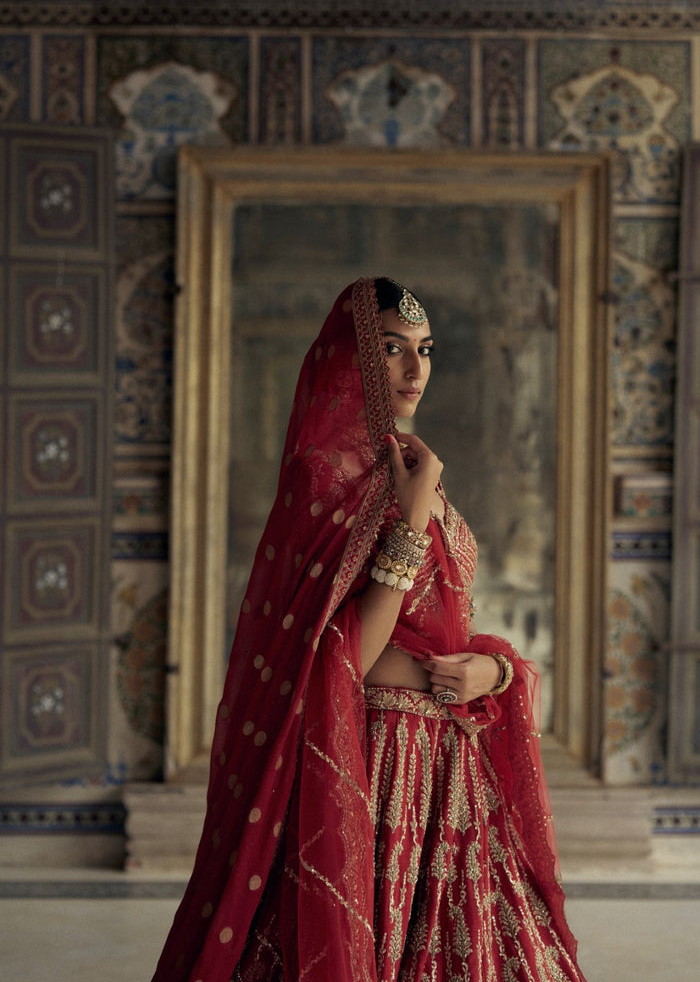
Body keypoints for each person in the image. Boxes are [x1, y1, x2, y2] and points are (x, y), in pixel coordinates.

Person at [152, 276, 586, 982]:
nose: (415, 368)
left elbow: (449, 627)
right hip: (370, 761)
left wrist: (495, 671)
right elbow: (341, 654)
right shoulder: (323, 475)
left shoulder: (416, 471)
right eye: (392, 348)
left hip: (450, 768)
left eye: (425, 349)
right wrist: (410, 521)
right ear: (351, 354)